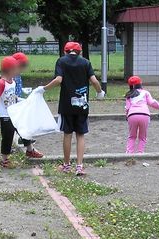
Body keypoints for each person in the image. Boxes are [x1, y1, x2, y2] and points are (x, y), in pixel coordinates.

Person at [33, 41, 105, 176]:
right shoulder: (85, 62)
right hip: (82, 105)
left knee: (67, 134)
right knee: (80, 134)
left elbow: (58, 79)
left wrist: (43, 89)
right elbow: (94, 81)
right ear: (80, 52)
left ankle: (66, 166)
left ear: (65, 51)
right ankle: (79, 166)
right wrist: (100, 92)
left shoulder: (61, 61)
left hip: (66, 105)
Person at [0, 56, 43, 168]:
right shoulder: (2, 83)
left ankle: (30, 150)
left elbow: (13, 96)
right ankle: (4, 159)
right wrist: (0, 108)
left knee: (24, 129)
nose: (17, 71)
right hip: (5, 116)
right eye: (15, 69)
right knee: (8, 137)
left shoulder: (13, 82)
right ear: (9, 70)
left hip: (14, 113)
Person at [125, 76, 159, 154]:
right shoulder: (145, 92)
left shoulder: (129, 95)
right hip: (144, 115)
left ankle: (129, 154)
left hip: (132, 115)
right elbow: (152, 103)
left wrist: (127, 116)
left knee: (132, 136)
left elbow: (127, 108)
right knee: (142, 137)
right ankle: (140, 153)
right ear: (140, 83)